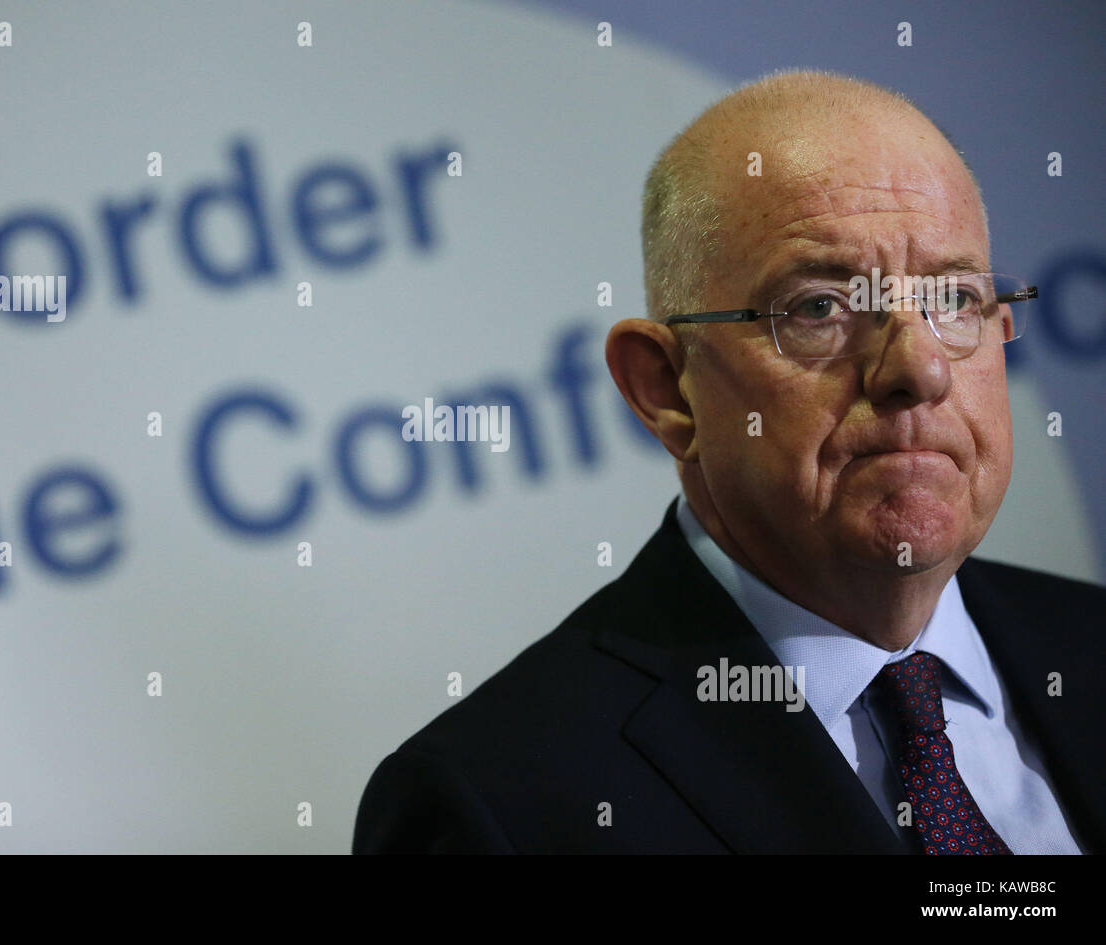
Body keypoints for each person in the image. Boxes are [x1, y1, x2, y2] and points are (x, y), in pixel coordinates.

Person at [352, 70, 1106, 854]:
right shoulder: (497, 807)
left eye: (953, 299)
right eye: (822, 307)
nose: (920, 369)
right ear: (664, 389)